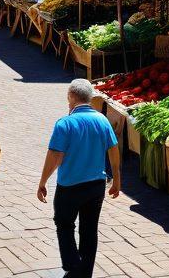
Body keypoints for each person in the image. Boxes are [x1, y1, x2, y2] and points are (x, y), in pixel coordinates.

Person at [37, 79, 121, 278]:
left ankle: (73, 266)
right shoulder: (102, 120)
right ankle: (85, 273)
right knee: (89, 230)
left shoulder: (65, 123)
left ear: (72, 97)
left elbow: (55, 155)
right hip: (96, 185)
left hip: (70, 186)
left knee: (64, 224)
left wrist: (42, 181)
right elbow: (114, 151)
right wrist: (116, 180)